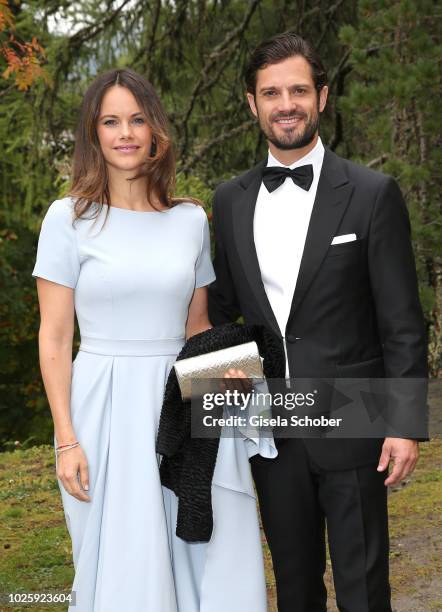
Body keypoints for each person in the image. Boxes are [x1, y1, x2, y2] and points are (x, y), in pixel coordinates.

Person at [32, 68, 269, 612]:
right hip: (104, 407)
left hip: (184, 399)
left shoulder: (189, 220)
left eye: (138, 119)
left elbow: (198, 329)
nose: (126, 133)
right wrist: (66, 438)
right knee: (123, 558)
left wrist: (237, 405)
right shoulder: (66, 219)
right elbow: (54, 335)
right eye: (111, 121)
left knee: (205, 549)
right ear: (93, 134)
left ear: (156, 130)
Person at [208, 32, 428, 612]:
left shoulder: (373, 194)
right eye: (272, 92)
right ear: (251, 104)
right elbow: (217, 310)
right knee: (295, 588)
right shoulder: (228, 200)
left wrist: (403, 423)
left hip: (355, 419)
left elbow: (403, 321)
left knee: (364, 590)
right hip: (270, 427)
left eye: (299, 90)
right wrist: (223, 398)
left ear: (322, 97)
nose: (287, 104)